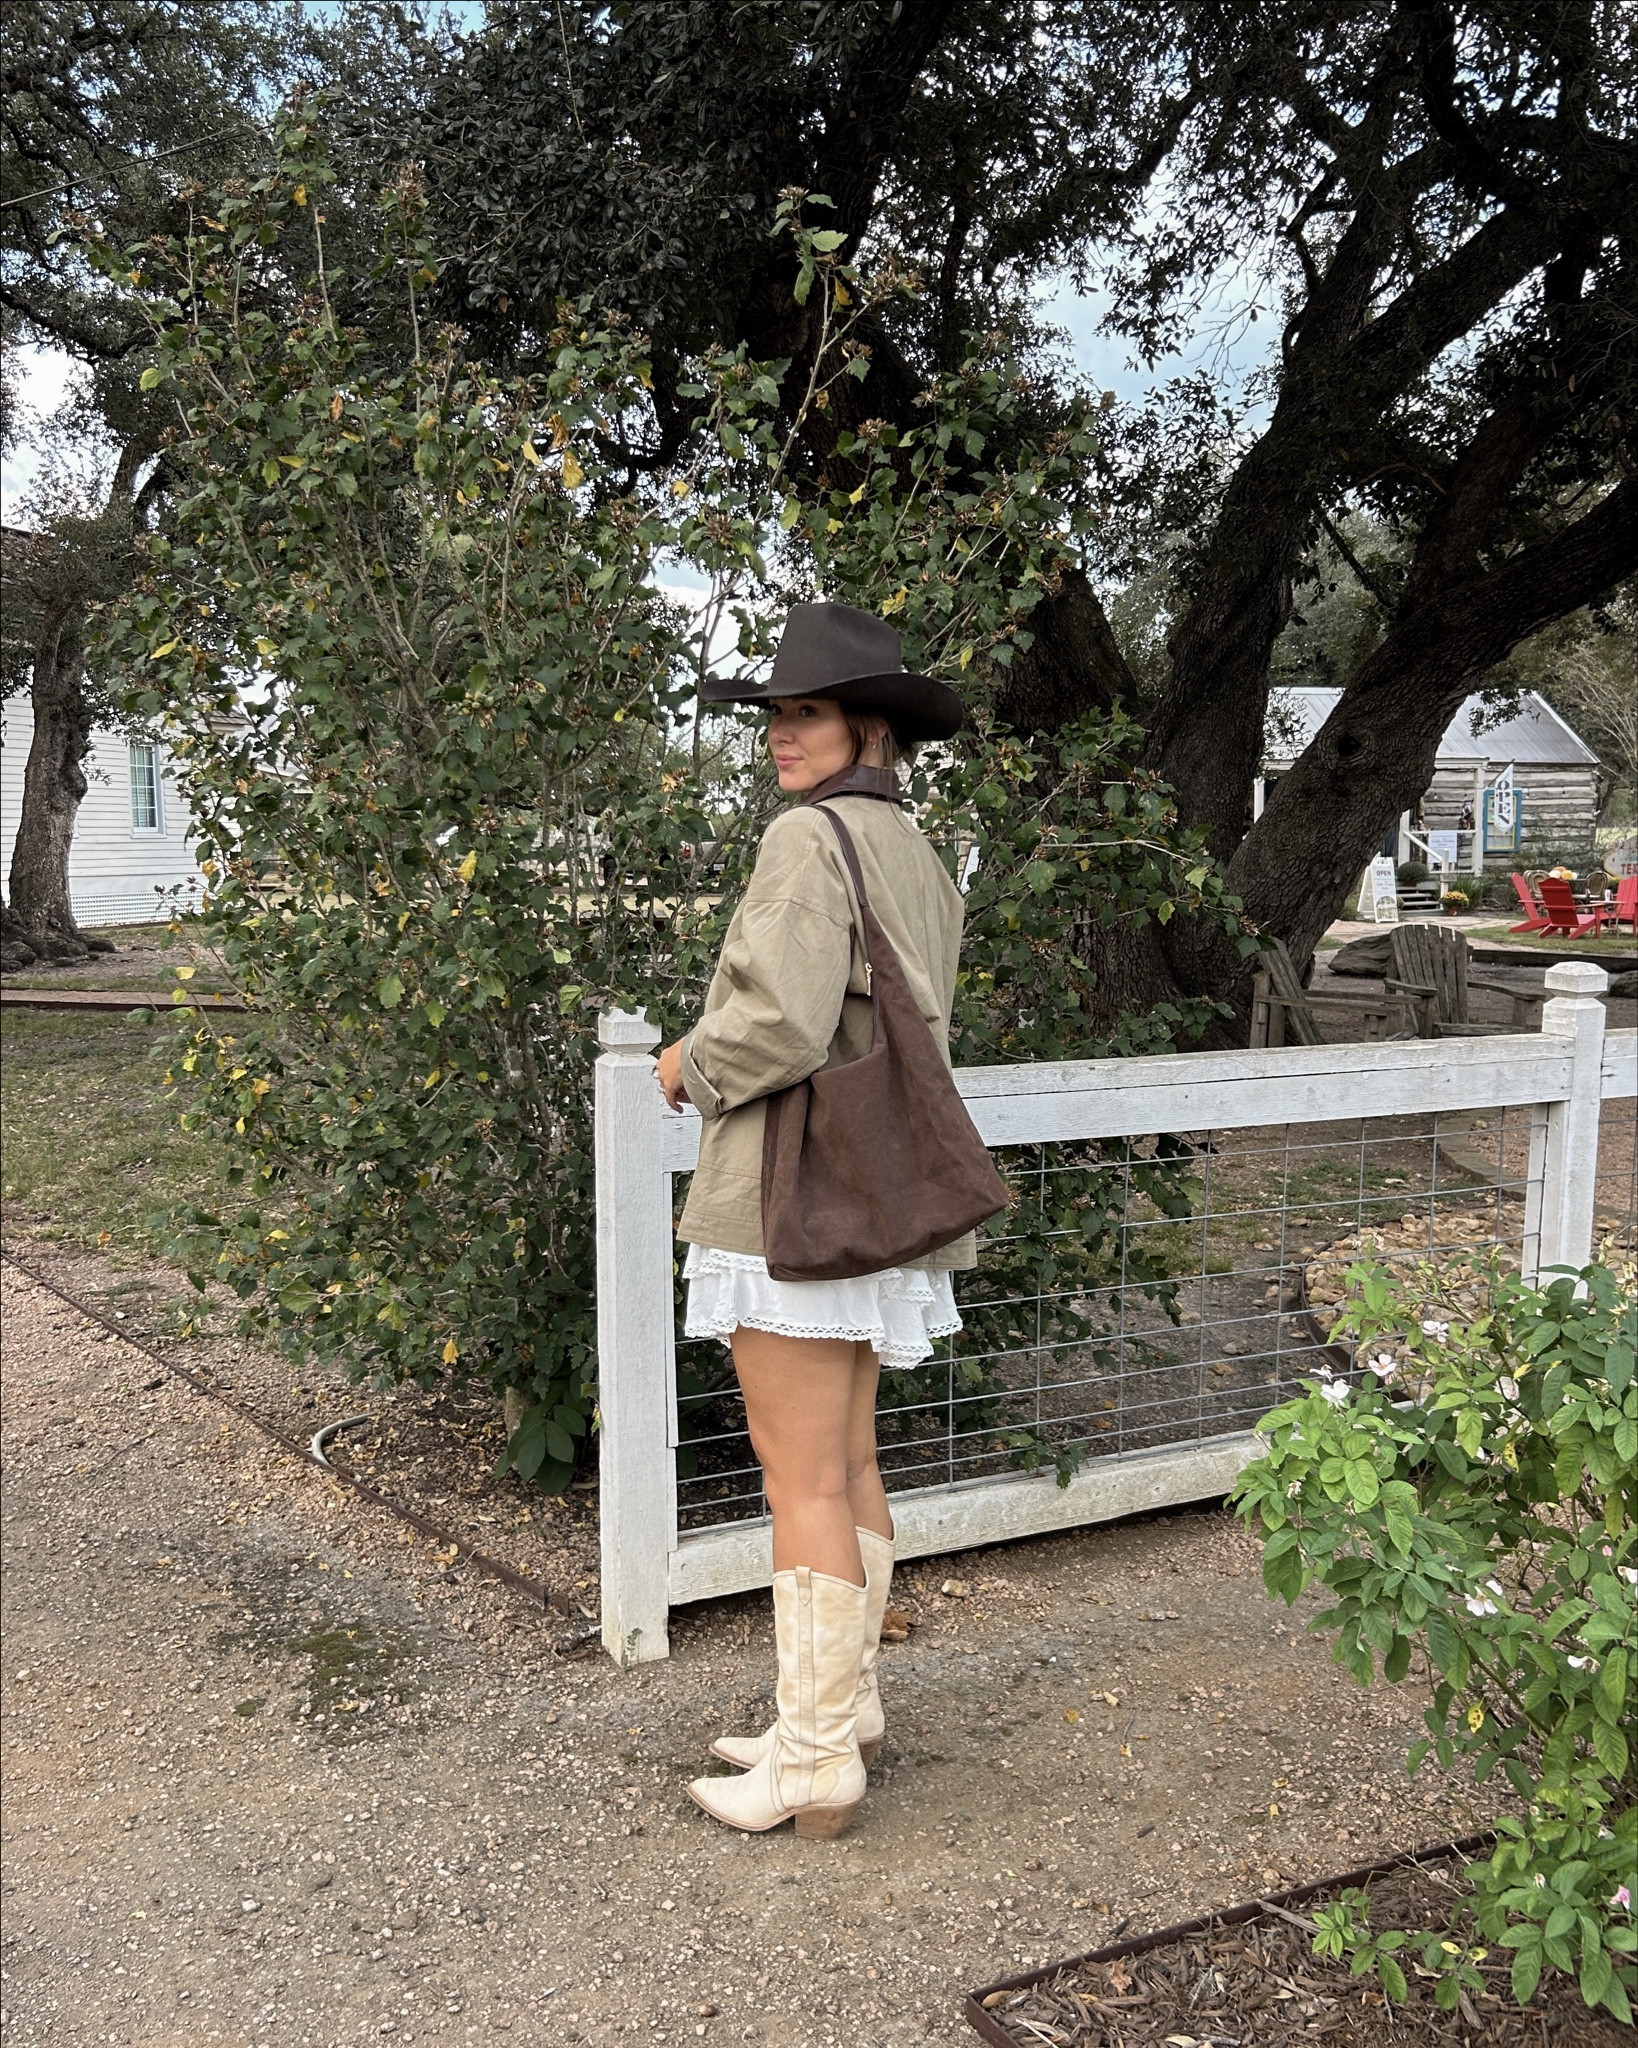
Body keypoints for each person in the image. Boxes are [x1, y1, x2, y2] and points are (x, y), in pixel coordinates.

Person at [654, 602, 972, 1840]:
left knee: (799, 1478)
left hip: (794, 1188)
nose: (783, 736)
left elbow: (780, 1022)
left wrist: (687, 1062)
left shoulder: (808, 838)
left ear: (869, 727)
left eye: (809, 713)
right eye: (778, 715)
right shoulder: (914, 852)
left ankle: (815, 1756)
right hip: (876, 1193)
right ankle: (843, 1708)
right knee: (848, 1462)